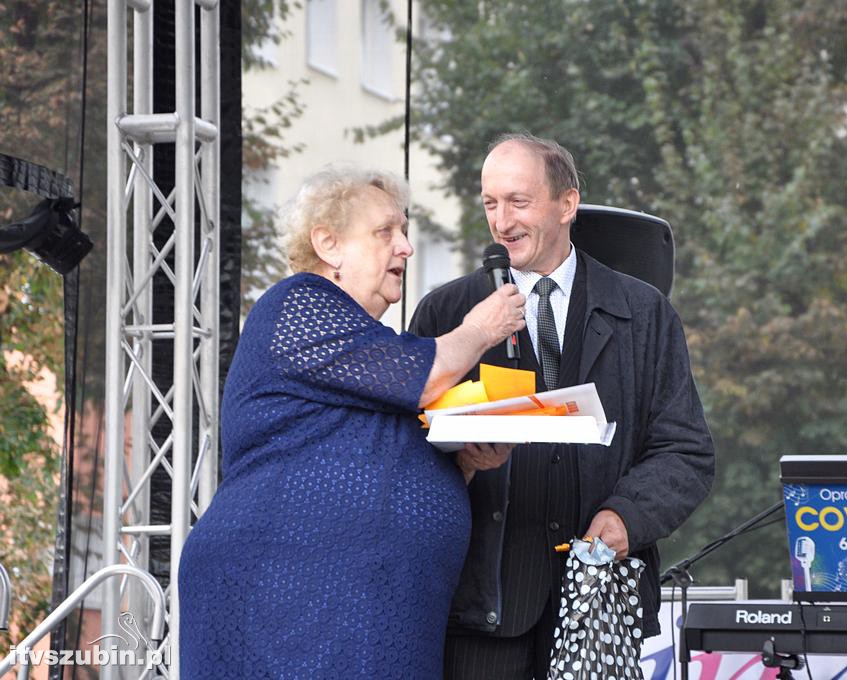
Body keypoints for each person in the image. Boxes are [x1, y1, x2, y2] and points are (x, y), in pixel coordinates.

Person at [178, 167, 526, 679]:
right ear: (329, 244)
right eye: (385, 231)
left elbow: (389, 459)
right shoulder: (298, 302)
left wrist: (468, 465)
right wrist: (481, 327)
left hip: (370, 611)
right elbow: (427, 375)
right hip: (290, 604)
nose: (405, 247)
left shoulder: (367, 348)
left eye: (404, 232)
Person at [409, 133, 716, 679]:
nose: (501, 222)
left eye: (518, 202)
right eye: (490, 203)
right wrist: (462, 463)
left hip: (600, 608)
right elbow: (407, 456)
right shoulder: (449, 313)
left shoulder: (644, 314)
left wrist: (627, 515)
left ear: (567, 204)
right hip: (481, 610)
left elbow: (685, 451)